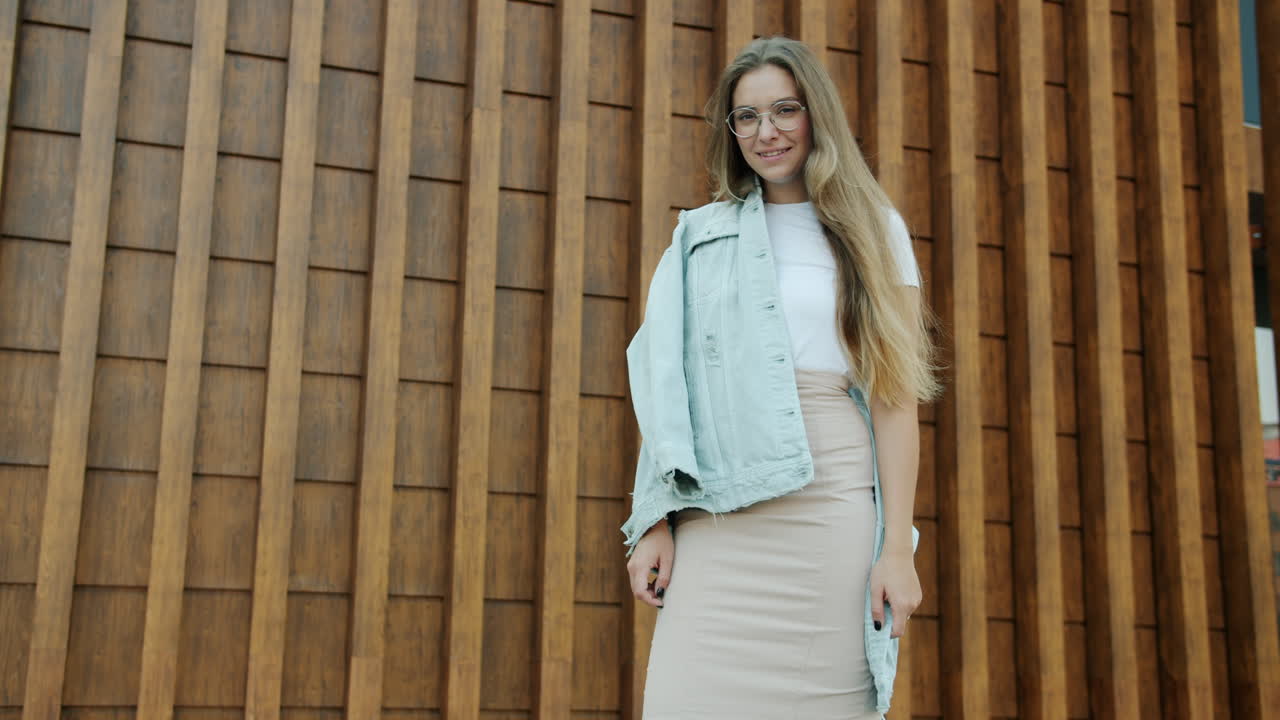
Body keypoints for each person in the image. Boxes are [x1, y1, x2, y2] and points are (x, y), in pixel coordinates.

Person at [620, 36, 940, 719]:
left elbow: (894, 401)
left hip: (831, 513)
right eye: (748, 117)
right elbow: (668, 391)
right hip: (719, 514)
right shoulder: (700, 238)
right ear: (732, 131)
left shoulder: (876, 231)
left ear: (816, 115)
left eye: (785, 110)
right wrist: (653, 520)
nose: (767, 132)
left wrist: (897, 551)